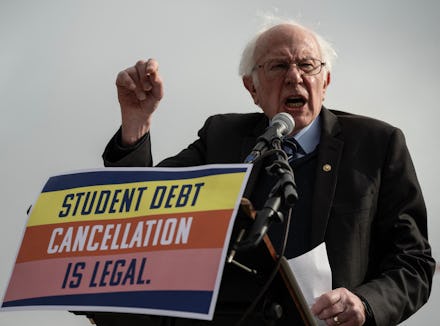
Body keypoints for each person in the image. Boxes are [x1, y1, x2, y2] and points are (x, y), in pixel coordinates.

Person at [93, 21, 435, 326]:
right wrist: (136, 123)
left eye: (307, 65)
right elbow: (141, 208)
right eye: (278, 66)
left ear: (326, 81)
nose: (294, 76)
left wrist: (365, 304)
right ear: (252, 88)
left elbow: (413, 261)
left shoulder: (376, 144)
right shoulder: (222, 137)